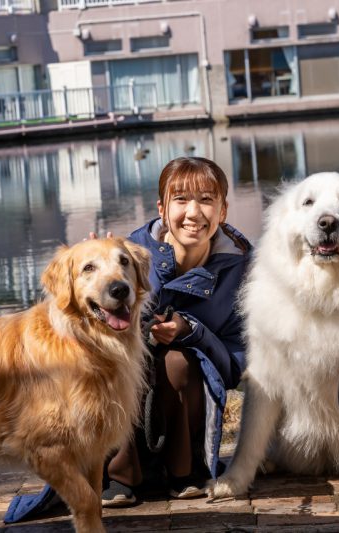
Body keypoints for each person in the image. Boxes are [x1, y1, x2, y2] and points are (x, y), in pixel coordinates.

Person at [101, 156, 251, 505]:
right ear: (162, 208)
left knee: (178, 361)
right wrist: (89, 271)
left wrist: (192, 332)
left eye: (206, 199)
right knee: (122, 356)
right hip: (129, 398)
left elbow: (235, 364)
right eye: (181, 199)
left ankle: (186, 470)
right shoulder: (127, 256)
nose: (193, 213)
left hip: (190, 401)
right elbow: (84, 335)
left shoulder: (242, 269)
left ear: (223, 210)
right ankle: (118, 472)